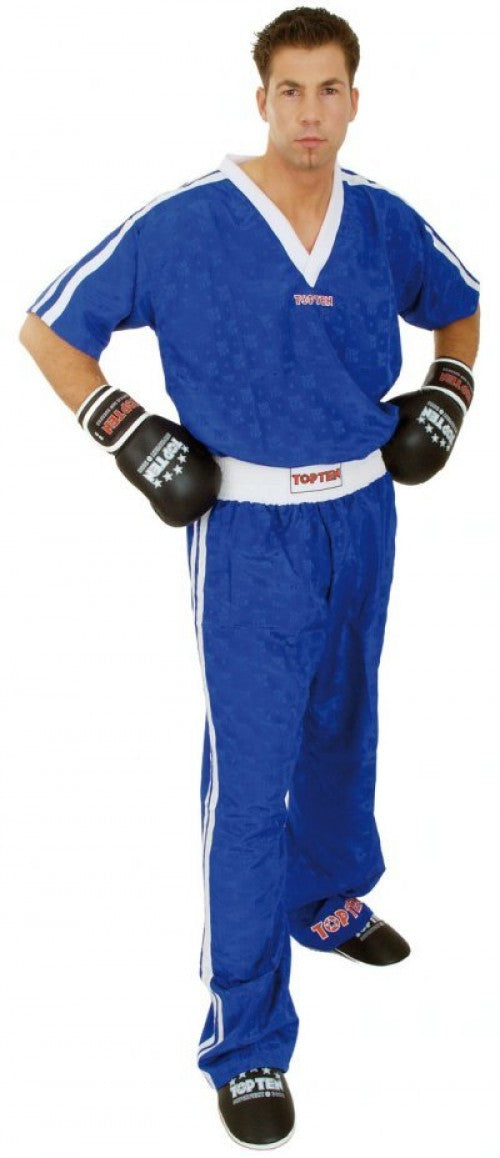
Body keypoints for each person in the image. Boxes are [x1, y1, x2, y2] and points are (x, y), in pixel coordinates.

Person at [19, 6, 480, 1150]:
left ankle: (323, 902)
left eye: (329, 90)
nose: (309, 113)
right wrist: (122, 426)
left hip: (360, 517)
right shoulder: (183, 224)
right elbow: (47, 327)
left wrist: (447, 392)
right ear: (260, 97)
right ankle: (246, 1039)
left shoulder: (383, 220)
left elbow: (461, 306)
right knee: (250, 776)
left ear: (353, 100)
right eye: (289, 90)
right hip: (249, 533)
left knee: (342, 726)